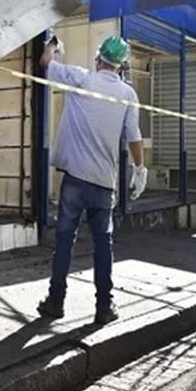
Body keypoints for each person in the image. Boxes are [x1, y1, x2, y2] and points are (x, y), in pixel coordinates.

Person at [36, 34, 147, 325]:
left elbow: (46, 63)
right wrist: (139, 169)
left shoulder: (81, 78)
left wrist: (53, 44)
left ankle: (55, 302)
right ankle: (103, 307)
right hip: (104, 183)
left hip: (74, 180)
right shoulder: (128, 94)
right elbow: (133, 138)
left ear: (99, 60)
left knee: (64, 242)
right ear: (121, 66)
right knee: (103, 245)